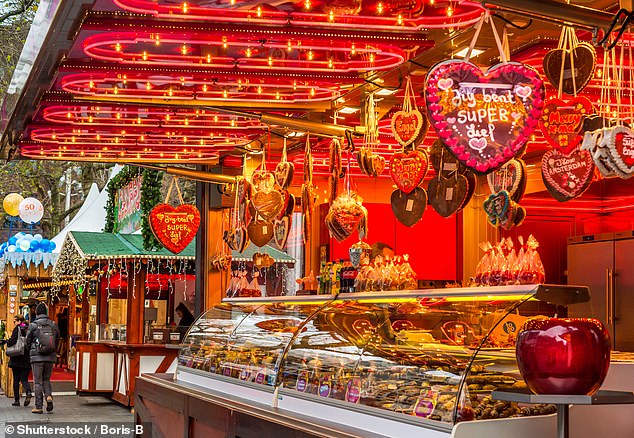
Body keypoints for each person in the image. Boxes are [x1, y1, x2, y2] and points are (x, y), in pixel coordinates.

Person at [26, 302, 60, 414]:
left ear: (36, 312)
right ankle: (49, 396)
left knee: (38, 382)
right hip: (50, 356)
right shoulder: (53, 324)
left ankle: (38, 406)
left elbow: (28, 341)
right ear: (46, 312)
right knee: (46, 379)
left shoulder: (33, 325)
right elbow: (57, 340)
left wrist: (30, 350)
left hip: (37, 357)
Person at [6, 315, 32, 407]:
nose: (14, 323)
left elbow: (13, 341)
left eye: (14, 321)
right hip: (26, 358)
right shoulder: (29, 328)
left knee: (16, 380)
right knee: (24, 379)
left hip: (17, 357)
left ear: (19, 321)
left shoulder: (17, 328)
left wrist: (8, 342)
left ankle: (17, 400)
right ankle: (28, 392)